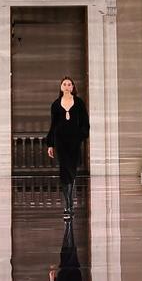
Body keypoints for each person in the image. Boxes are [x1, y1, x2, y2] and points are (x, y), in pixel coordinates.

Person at [45, 77, 89, 218]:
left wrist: (80, 136)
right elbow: (53, 125)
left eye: (69, 84)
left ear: (73, 87)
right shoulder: (56, 105)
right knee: (64, 169)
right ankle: (68, 204)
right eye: (64, 84)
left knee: (73, 168)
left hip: (74, 141)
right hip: (60, 140)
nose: (67, 86)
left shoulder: (79, 103)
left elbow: (85, 123)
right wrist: (50, 144)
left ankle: (70, 201)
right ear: (61, 87)